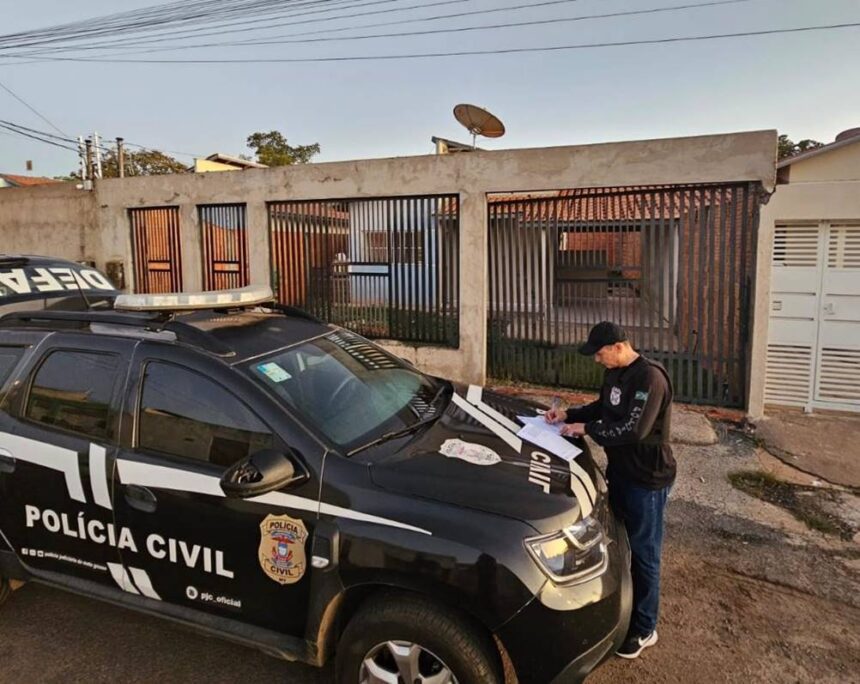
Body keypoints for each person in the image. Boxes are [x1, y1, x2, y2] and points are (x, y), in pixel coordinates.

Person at [545, 321, 675, 660]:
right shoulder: (615, 374)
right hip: (621, 472)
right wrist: (567, 415)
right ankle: (623, 607)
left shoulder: (650, 378)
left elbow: (635, 429)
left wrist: (586, 428)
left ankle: (645, 628)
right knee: (619, 543)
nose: (597, 360)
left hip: (647, 480)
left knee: (646, 555)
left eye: (600, 354)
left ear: (619, 346)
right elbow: (603, 407)